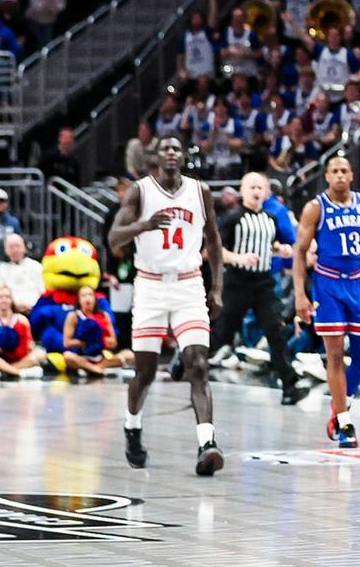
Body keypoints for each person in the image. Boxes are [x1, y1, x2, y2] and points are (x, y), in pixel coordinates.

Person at [106, 135, 226, 476]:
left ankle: (207, 443)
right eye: (165, 149)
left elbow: (214, 240)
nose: (172, 153)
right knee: (144, 373)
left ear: (183, 157)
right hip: (151, 285)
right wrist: (145, 224)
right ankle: (132, 426)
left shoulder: (199, 191)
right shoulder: (140, 191)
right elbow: (114, 238)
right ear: (154, 157)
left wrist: (216, 287)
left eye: (177, 148)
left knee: (198, 364)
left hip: (189, 283)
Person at [293, 156, 360, 448]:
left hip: (358, 282)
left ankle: (339, 406)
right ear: (326, 177)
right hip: (328, 284)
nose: (339, 175)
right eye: (334, 171)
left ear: (352, 175)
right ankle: (346, 424)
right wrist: (300, 294)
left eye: (344, 170)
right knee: (334, 355)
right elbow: (299, 252)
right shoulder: (315, 208)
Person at [209, 172, 305, 405]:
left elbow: (267, 244)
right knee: (222, 333)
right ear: (242, 191)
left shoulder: (271, 219)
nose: (256, 191)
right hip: (237, 283)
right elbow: (216, 250)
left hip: (263, 284)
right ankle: (186, 359)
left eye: (260, 187)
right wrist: (239, 258)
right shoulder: (232, 218)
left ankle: (289, 386)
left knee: (276, 332)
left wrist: (279, 250)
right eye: (251, 187)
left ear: (266, 192)